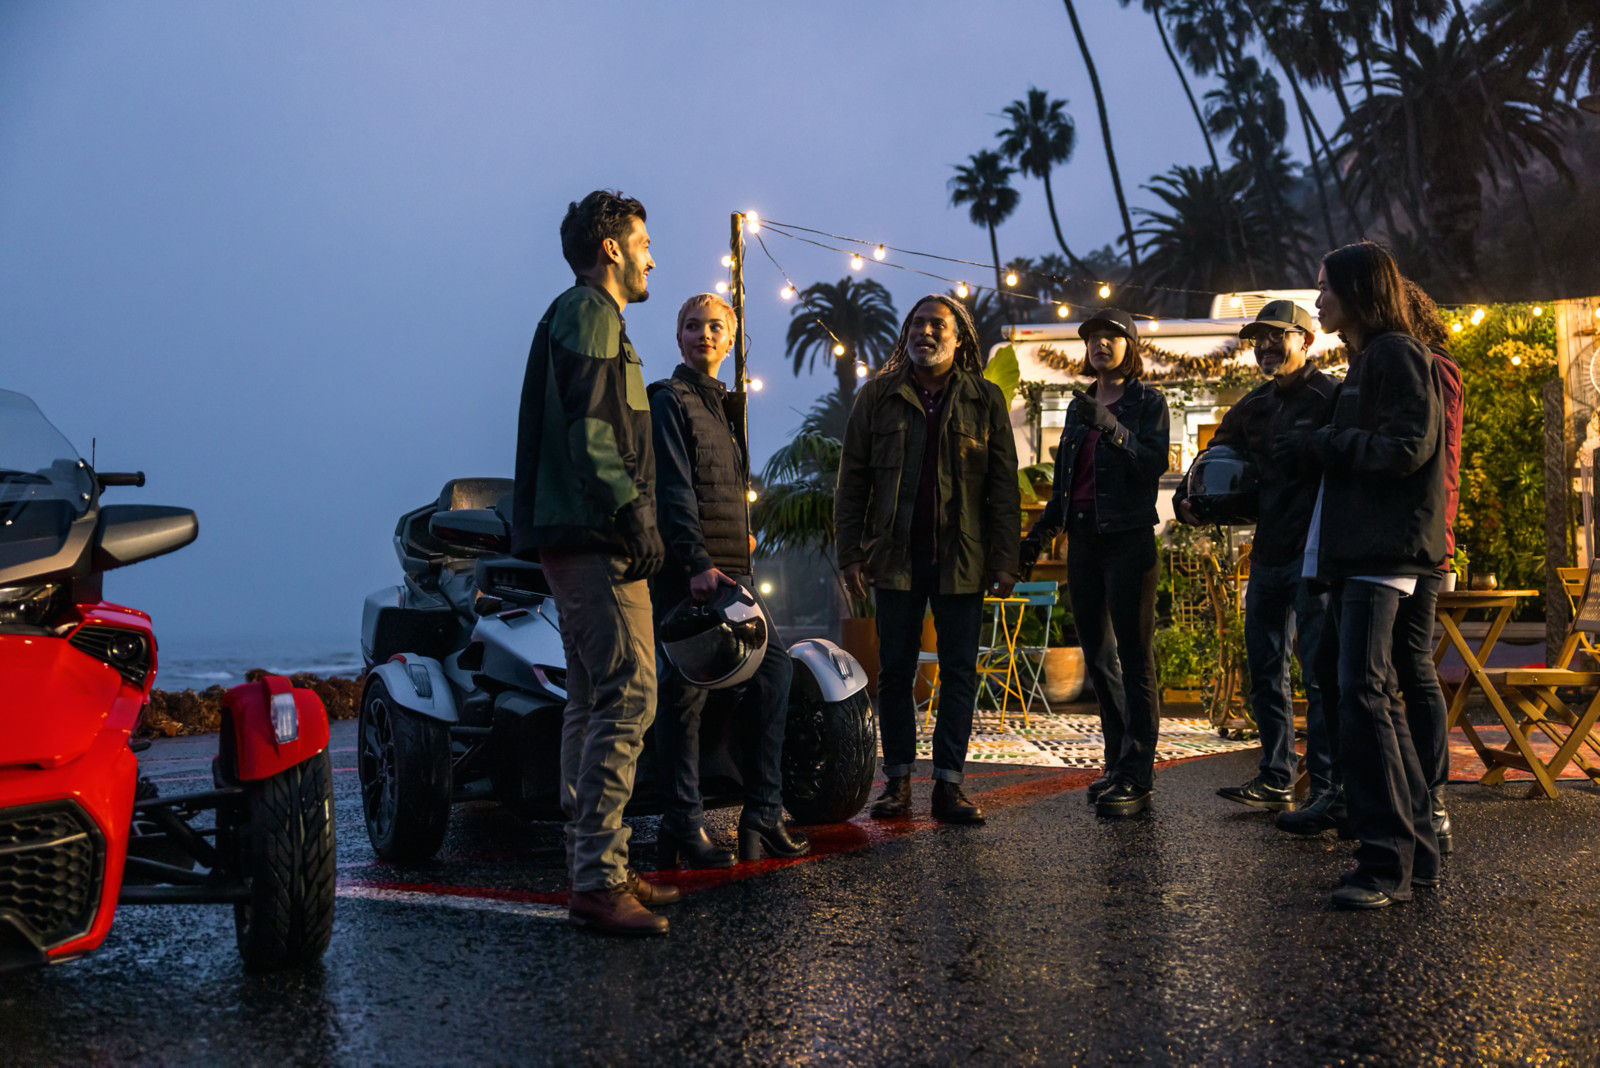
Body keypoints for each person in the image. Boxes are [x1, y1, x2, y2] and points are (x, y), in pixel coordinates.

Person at [511, 189, 679, 936]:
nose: (651, 255)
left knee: (590, 696)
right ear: (611, 248)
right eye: (642, 241)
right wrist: (632, 511)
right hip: (595, 539)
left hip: (580, 535)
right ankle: (598, 879)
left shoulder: (593, 317)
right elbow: (591, 429)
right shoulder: (587, 311)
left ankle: (595, 866)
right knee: (629, 692)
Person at [1275, 241, 1447, 909]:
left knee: (1364, 695)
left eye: (1324, 288)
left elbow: (1409, 448)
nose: (1317, 301)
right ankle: (1414, 854)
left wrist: (1325, 443)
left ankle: (1384, 863)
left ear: (1356, 291)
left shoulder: (1396, 355)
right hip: (1366, 552)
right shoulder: (1371, 359)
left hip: (1385, 552)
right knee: (1373, 698)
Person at [835, 294, 1020, 824]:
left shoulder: (985, 400)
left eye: (937, 325)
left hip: (963, 560)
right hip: (894, 560)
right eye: (917, 323)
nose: (925, 332)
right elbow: (852, 482)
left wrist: (1005, 558)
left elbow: (1003, 487)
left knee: (959, 672)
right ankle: (896, 783)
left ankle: (949, 787)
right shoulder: (876, 397)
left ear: (959, 339)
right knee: (894, 672)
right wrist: (849, 550)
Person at [648, 292, 809, 867]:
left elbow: (722, 489)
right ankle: (683, 825)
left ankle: (762, 814)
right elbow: (673, 490)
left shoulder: (722, 404)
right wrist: (694, 564)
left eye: (715, 326)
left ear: (731, 338)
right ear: (678, 337)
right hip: (691, 576)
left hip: (730, 571)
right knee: (685, 698)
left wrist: (743, 538)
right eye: (692, 326)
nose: (704, 335)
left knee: (775, 671)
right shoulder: (670, 401)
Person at [1176, 300, 1337, 814]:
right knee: (1264, 668)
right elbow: (1211, 457)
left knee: (1319, 672)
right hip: (1267, 554)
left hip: (1318, 555)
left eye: (1276, 336)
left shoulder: (1332, 396)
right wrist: (1189, 500)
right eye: (1257, 339)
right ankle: (1276, 776)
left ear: (1305, 340)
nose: (1264, 347)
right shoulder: (1254, 405)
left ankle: (1329, 786)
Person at [1020, 309, 1170, 817]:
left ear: (1130, 345)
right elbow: (1065, 484)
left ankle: (1139, 773)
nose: (1101, 344)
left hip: (1129, 540)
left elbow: (1154, 465)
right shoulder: (1077, 407)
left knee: (1135, 656)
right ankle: (1116, 762)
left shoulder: (1148, 401)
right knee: (1099, 658)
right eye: (1093, 338)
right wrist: (1039, 536)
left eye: (1112, 337)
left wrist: (1110, 426)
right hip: (1083, 543)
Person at [1395, 279, 1465, 854]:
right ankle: (1417, 797)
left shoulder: (1432, 367)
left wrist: (1435, 537)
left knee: (1412, 662)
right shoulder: (1421, 363)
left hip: (1419, 537)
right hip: (1415, 534)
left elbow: (1434, 456)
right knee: (1403, 662)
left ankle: (1432, 800)